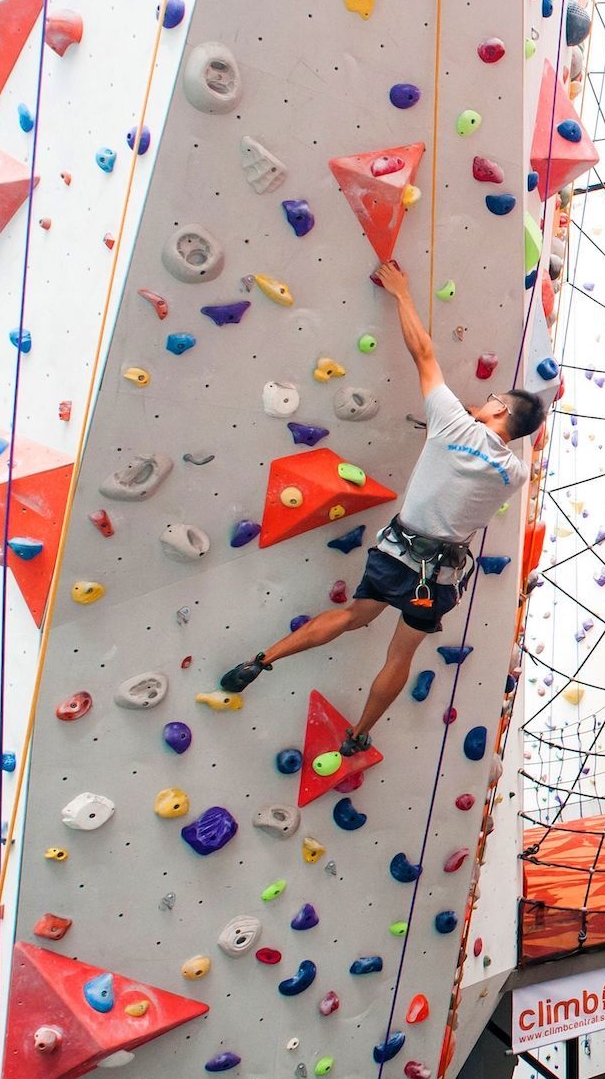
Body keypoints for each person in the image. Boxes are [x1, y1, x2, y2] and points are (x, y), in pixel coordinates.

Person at [216, 260, 547, 754]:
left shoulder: (454, 425)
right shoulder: (515, 473)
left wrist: (401, 292)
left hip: (398, 557)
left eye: (492, 397)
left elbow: (424, 354)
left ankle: (262, 661)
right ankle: (359, 734)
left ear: (499, 410)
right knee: (400, 656)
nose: (484, 398)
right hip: (439, 578)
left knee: (353, 616)